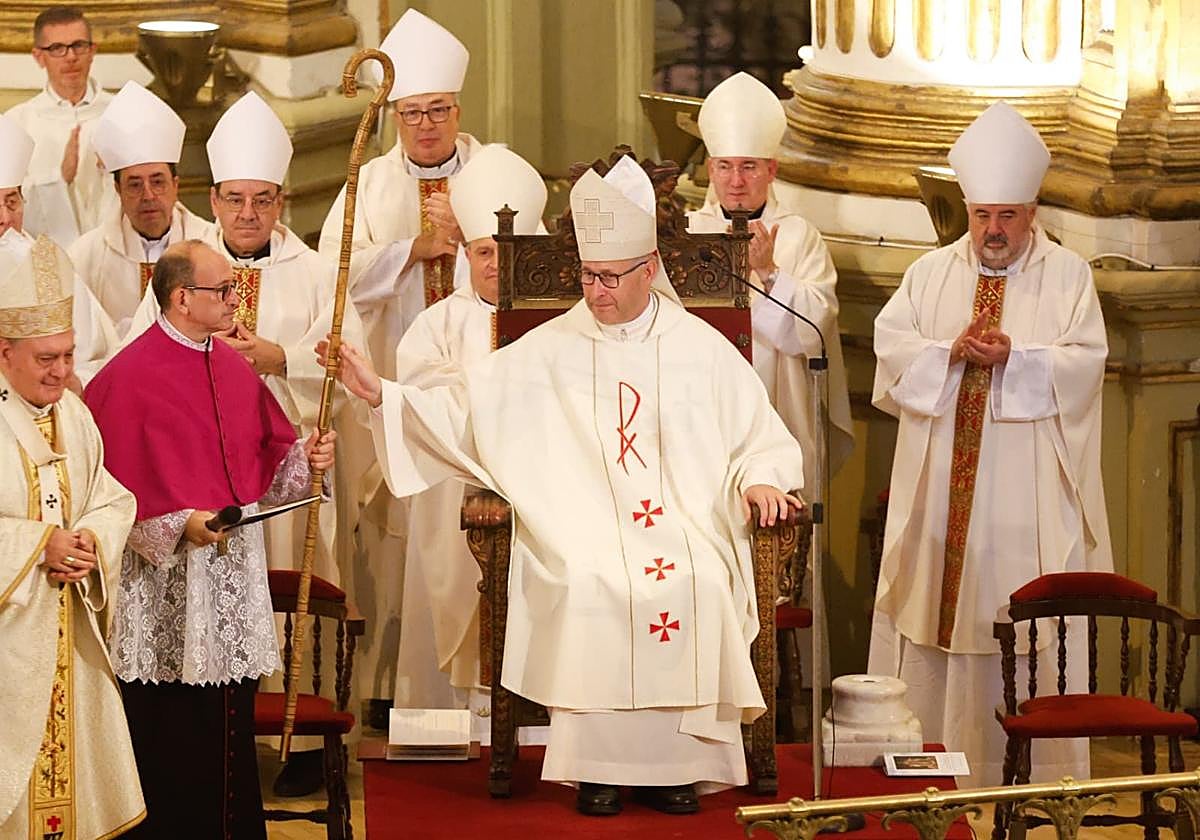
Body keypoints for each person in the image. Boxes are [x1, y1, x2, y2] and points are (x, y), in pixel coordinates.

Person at [325, 157, 805, 815]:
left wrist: (762, 480)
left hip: (685, 522)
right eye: (588, 276)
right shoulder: (550, 346)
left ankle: (677, 767)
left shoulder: (701, 348)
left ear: (649, 271)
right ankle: (597, 768)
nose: (598, 291)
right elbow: (468, 408)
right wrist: (380, 393)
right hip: (581, 525)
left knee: (696, 581)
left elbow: (761, 436)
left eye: (611, 277)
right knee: (586, 579)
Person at [122, 89, 367, 796]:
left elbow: (347, 368)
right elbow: (146, 369)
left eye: (263, 200)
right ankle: (225, 742)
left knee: (303, 595)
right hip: (201, 490)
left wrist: (277, 358)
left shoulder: (322, 272)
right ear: (216, 199)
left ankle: (301, 744)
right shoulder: (181, 271)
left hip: (281, 479)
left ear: (282, 202)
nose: (249, 214)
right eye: (235, 199)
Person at [868, 101, 1112, 787]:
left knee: (1016, 610)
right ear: (968, 211)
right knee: (934, 604)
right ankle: (929, 769)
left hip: (1023, 490)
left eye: (1007, 216)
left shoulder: (1069, 277)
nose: (993, 230)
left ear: (1031, 213)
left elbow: (1086, 363)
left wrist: (1019, 360)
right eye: (983, 216)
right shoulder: (931, 273)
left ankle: (1032, 775)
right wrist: (948, 353)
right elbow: (893, 349)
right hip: (943, 486)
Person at [83, 240, 336, 839]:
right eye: (222, 290)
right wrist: (177, 527)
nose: (233, 299)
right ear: (181, 298)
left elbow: (266, 464)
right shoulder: (128, 377)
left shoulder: (229, 363)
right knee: (171, 731)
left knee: (228, 725)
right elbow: (109, 496)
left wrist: (306, 456)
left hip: (229, 575)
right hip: (168, 582)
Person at [317, 7, 479, 707]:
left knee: (461, 547)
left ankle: (465, 692)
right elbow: (332, 277)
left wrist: (468, 237)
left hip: (470, 405)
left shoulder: (492, 177)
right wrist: (412, 250)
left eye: (437, 110)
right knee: (389, 549)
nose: (425, 125)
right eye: (412, 113)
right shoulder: (369, 186)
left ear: (457, 108)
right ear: (396, 118)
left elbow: (526, 273)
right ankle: (390, 689)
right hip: (385, 388)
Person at [391, 145, 547, 741]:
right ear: (468, 254)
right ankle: (452, 731)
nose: (494, 264)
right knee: (455, 611)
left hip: (539, 505)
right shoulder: (437, 325)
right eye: (483, 251)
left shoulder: (560, 322)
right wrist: (499, 395)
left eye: (509, 251)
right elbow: (425, 404)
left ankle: (535, 737)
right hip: (457, 506)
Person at [0, 234, 144, 839]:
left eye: (68, 354)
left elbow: (111, 496)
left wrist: (88, 538)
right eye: (46, 359)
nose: (63, 371)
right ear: (4, 352)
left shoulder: (74, 414)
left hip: (68, 630)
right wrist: (37, 543)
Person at [688, 71, 853, 491]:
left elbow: (813, 334)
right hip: (699, 413)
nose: (736, 181)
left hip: (780, 414)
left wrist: (768, 272)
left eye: (749, 167)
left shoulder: (799, 236)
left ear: (771, 170)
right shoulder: (686, 236)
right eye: (725, 167)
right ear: (710, 170)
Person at [69, 81, 212, 338]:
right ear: (117, 189)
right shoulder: (85, 257)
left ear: (175, 185)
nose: (148, 195)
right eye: (134, 184)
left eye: (157, 182)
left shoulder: (211, 245)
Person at [0, 113, 117, 387]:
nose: (4, 218)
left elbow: (99, 358)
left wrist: (67, 383)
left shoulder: (51, 270)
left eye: (12, 201)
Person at [5, 5, 119, 248]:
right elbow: (7, 204)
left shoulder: (121, 113)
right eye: (57, 48)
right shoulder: (17, 123)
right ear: (39, 56)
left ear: (92, 51)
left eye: (79, 45)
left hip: (112, 254)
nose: (70, 57)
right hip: (46, 256)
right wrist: (59, 179)